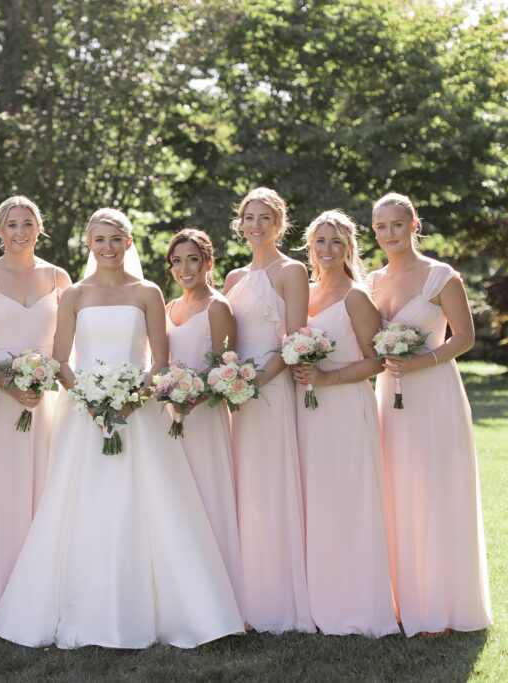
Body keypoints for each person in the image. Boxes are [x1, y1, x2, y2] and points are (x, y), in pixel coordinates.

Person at [0, 209, 244, 649]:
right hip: (84, 414)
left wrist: (131, 399)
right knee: (81, 502)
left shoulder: (147, 292)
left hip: (136, 411)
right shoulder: (74, 295)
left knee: (151, 504)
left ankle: (171, 609)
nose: (108, 246)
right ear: (89, 244)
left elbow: (159, 361)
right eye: (100, 239)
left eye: (116, 239)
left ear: (129, 243)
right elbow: (61, 360)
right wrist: (90, 398)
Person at [368, 192, 492, 637]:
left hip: (434, 391)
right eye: (381, 227)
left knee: (436, 491)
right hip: (390, 395)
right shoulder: (372, 282)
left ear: (414, 224)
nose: (389, 234)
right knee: (396, 491)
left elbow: (464, 337)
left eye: (396, 225)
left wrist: (420, 363)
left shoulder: (441, 277)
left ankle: (442, 607)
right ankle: (404, 601)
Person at [0, 196, 71, 627]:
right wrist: (9, 382)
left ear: (39, 229)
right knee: (1, 493)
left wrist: (49, 380)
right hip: (0, 399)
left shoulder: (59, 277)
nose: (20, 232)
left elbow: (64, 343)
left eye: (27, 224)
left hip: (46, 399)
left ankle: (43, 589)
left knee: (46, 488)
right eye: (11, 225)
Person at [291, 210, 399, 637]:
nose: (327, 249)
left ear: (349, 247)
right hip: (309, 411)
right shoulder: (306, 292)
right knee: (317, 503)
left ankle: (358, 606)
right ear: (310, 245)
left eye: (336, 242)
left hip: (346, 408)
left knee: (350, 502)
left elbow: (377, 361)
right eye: (320, 241)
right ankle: (320, 601)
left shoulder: (355, 296)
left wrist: (327, 377)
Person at [222, 187, 314, 633]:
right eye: (248, 217)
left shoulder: (291, 271)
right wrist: (228, 382)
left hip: (272, 389)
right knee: (243, 488)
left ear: (280, 223)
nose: (255, 225)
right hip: (235, 391)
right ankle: (245, 594)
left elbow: (295, 341)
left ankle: (278, 601)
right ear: (239, 224)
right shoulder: (233, 279)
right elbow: (225, 342)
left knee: (272, 484)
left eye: (265, 217)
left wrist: (257, 383)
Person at [164, 228, 245, 603]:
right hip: (170, 417)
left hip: (205, 415)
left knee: (207, 495)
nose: (185, 268)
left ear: (208, 262)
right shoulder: (168, 309)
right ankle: (180, 589)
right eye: (177, 261)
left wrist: (193, 396)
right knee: (177, 499)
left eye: (192, 259)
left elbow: (225, 368)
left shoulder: (219, 307)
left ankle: (218, 593)